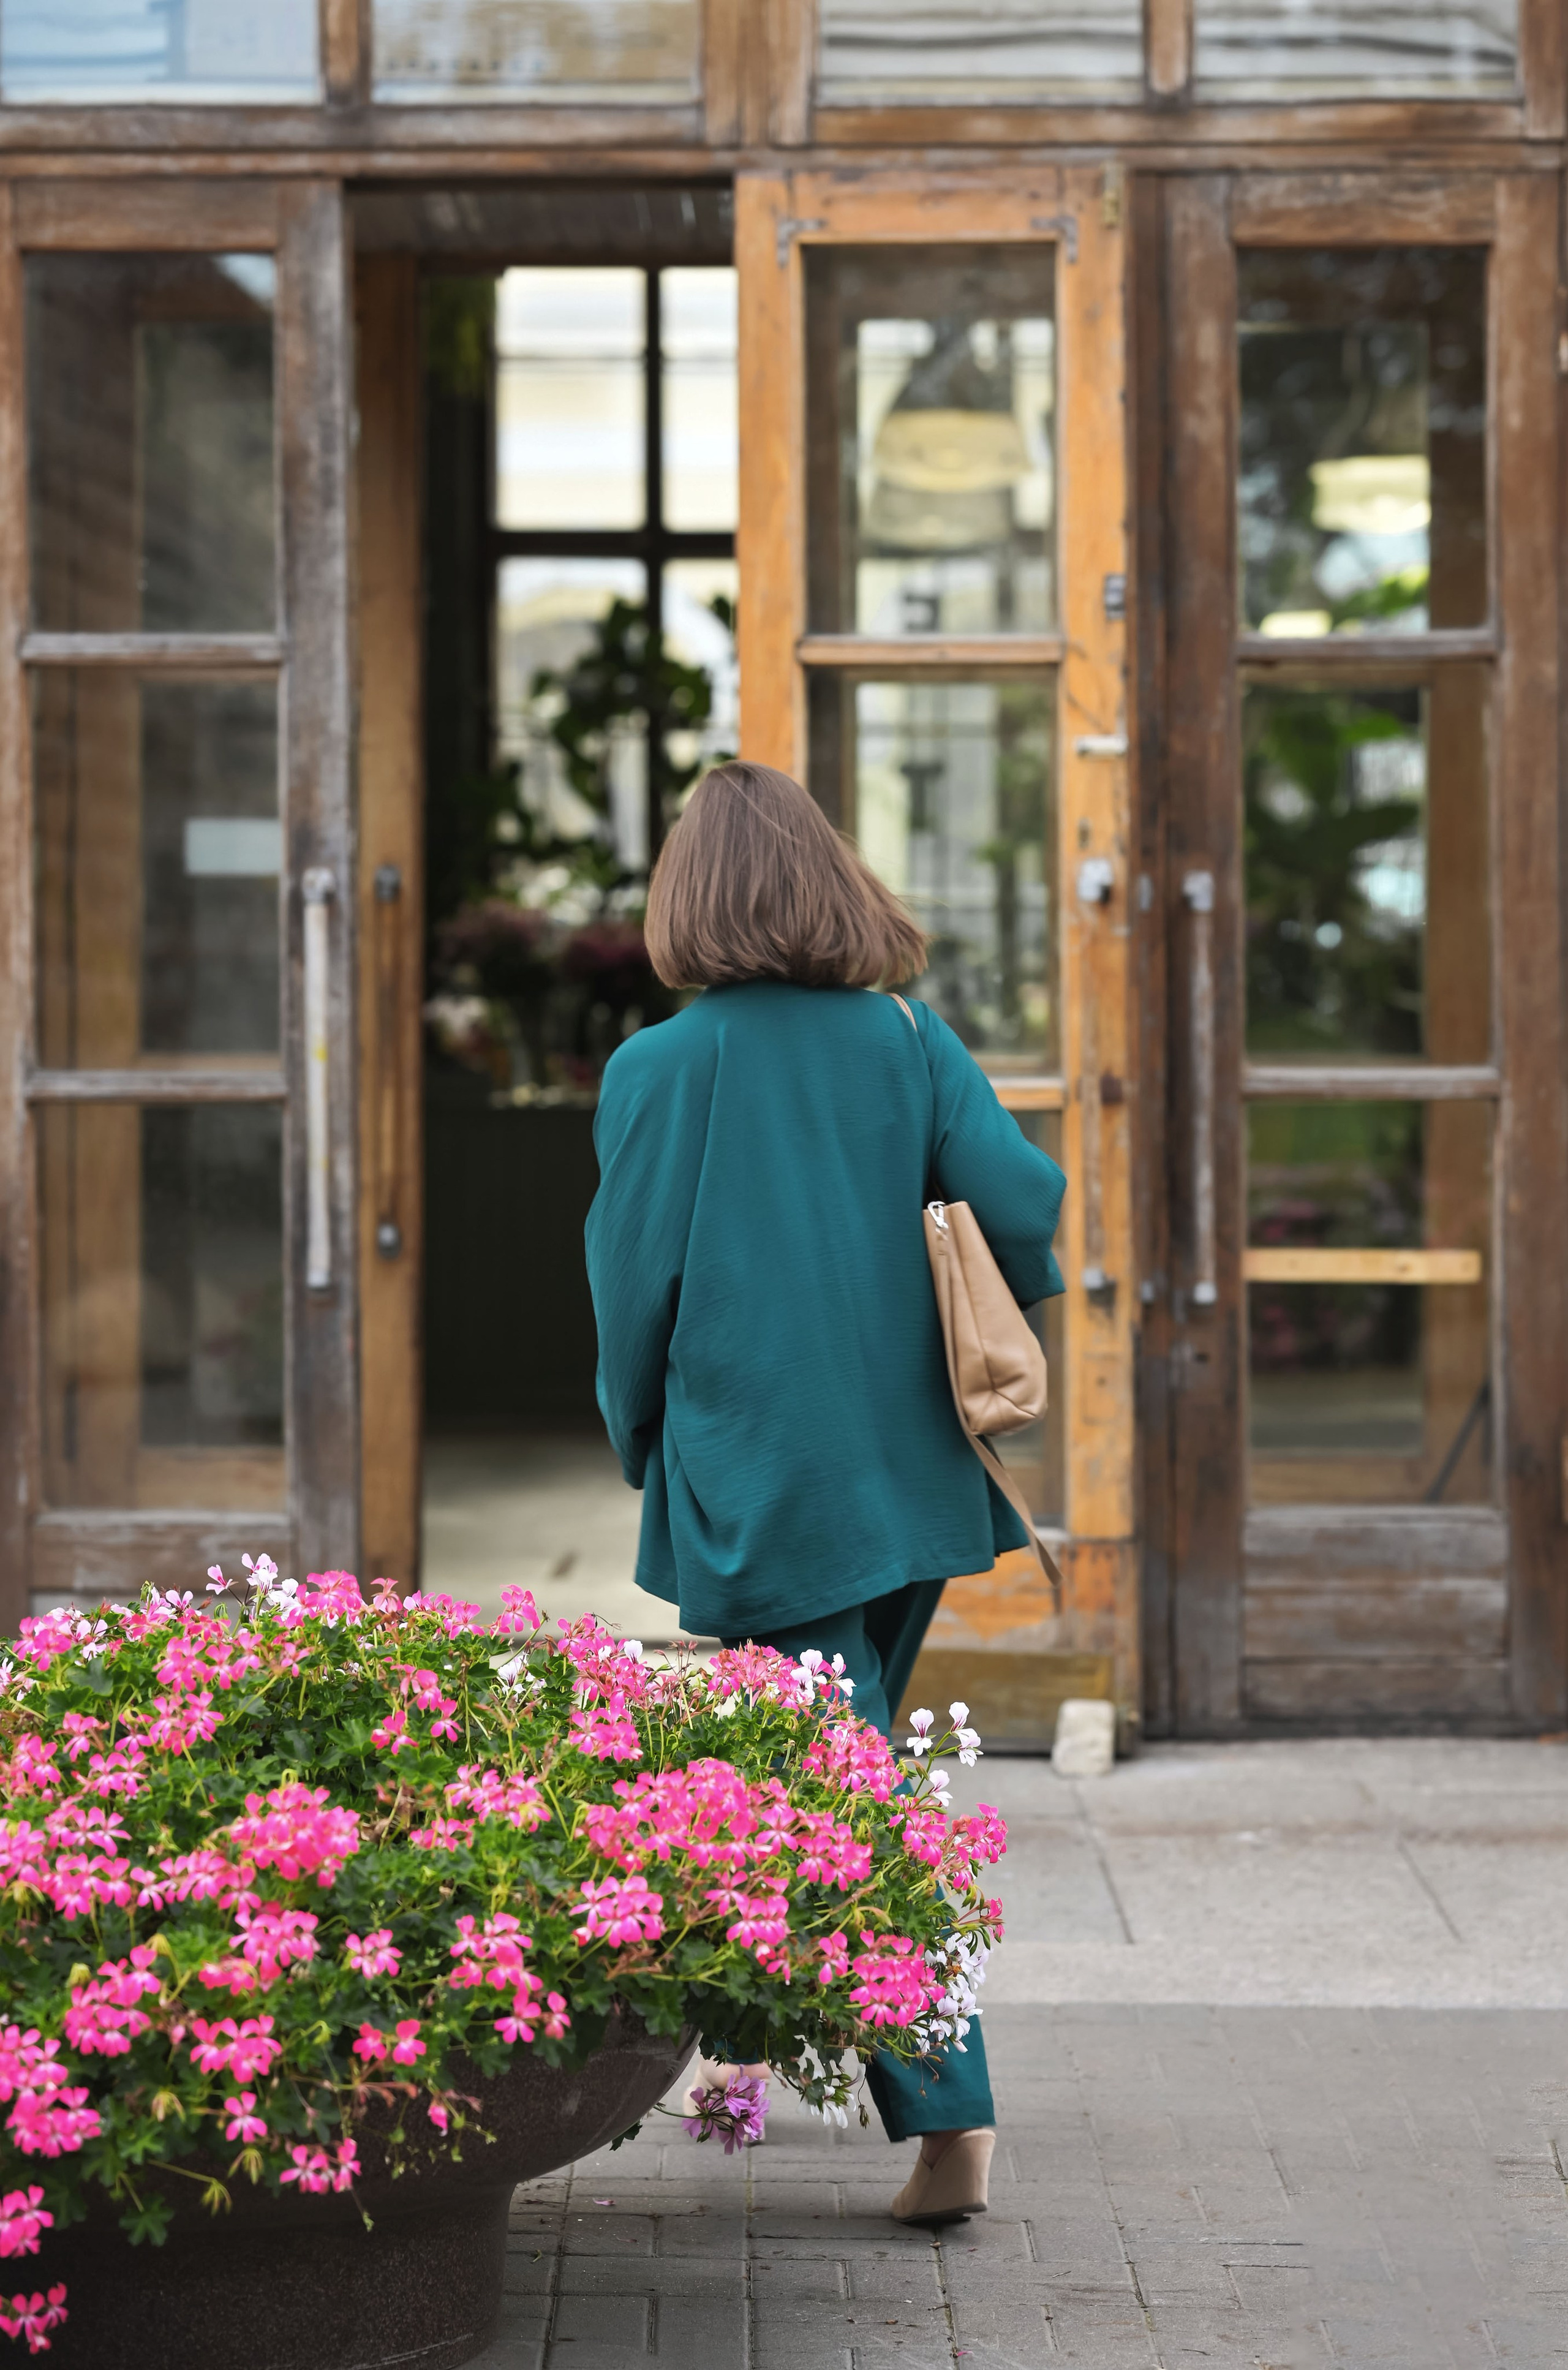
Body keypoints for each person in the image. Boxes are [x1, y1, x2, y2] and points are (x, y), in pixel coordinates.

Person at [585, 760, 1065, 2225]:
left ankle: (947, 2109)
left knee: (840, 1799)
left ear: (688, 899)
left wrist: (637, 1436)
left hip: (763, 1483)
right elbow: (1023, 1203)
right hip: (909, 1476)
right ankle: (737, 2071)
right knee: (800, 1776)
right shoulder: (907, 1039)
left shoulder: (658, 1069)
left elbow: (630, 1291)